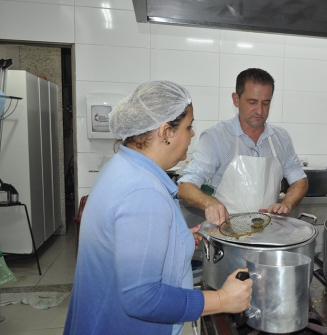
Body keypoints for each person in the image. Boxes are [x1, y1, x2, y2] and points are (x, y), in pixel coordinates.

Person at [63, 81, 252, 335]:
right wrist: (222, 299)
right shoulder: (144, 192)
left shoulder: (122, 167)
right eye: (189, 126)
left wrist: (178, 239)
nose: (193, 134)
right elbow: (142, 299)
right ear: (166, 132)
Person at [178, 68, 308, 225]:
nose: (259, 110)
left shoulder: (281, 138)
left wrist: (286, 204)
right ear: (236, 99)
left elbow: (299, 180)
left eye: (265, 103)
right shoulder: (215, 138)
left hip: (269, 235)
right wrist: (209, 203)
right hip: (226, 236)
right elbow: (186, 186)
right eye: (252, 102)